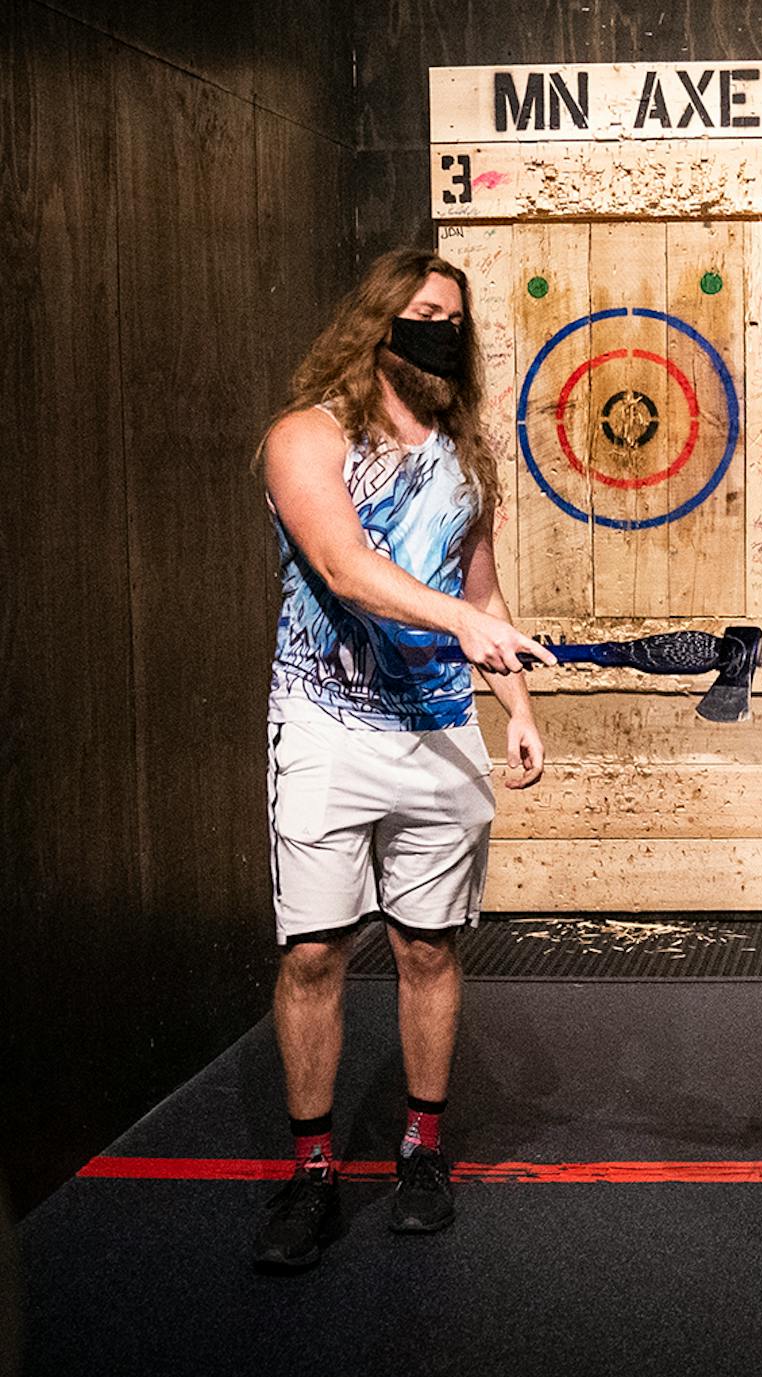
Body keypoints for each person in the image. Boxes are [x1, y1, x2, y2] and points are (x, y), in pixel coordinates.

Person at [251, 248, 555, 1271]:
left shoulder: (467, 452)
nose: (439, 332)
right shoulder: (307, 437)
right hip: (327, 729)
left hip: (438, 733)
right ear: (376, 321)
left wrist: (514, 702)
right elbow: (345, 564)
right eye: (422, 314)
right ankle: (313, 1173)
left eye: (453, 320)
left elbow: (484, 593)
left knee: (428, 949)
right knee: (314, 953)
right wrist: (459, 628)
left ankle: (422, 1147)